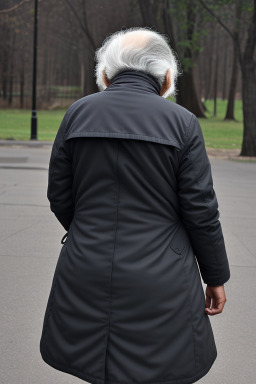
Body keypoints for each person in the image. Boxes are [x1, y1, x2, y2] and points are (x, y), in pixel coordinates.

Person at [39, 27, 231, 384]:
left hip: (85, 266)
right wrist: (216, 275)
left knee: (97, 367)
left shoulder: (78, 114)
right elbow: (201, 211)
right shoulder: (182, 123)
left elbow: (59, 197)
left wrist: (88, 232)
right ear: (166, 76)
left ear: (107, 73)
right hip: (163, 277)